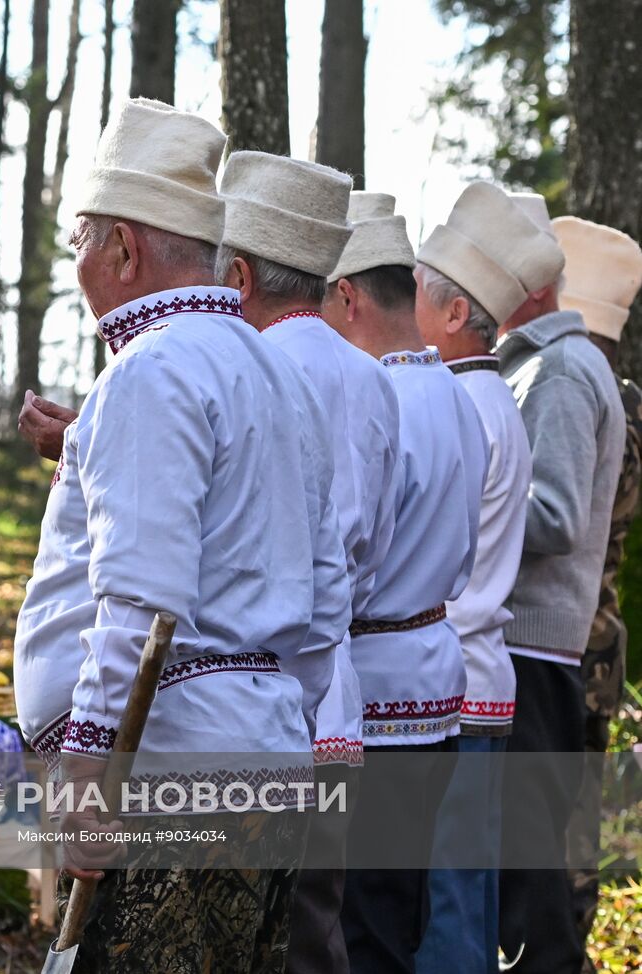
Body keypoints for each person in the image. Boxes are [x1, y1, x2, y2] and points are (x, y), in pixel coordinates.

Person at [12, 98, 349, 973]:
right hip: (259, 759)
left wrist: (87, 776)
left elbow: (142, 601)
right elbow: (324, 601)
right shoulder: (275, 372)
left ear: (123, 248)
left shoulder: (153, 368)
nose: (77, 264)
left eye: (79, 242)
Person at [215, 161, 399, 974]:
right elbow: (373, 549)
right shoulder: (372, 377)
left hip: (247, 702)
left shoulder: (242, 372)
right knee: (317, 938)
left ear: (240, 276)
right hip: (337, 696)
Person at [320, 190, 489, 974]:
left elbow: (346, 555)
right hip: (435, 675)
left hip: (377, 686)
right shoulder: (458, 394)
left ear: (347, 296)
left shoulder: (374, 396)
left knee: (364, 926)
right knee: (401, 908)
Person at [409, 182, 546, 974]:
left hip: (453, 683)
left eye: (416, 296)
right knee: (467, 894)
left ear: (457, 312)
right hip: (482, 677)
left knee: (447, 906)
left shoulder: (460, 405)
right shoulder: (492, 399)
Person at [493, 200, 624, 974]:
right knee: (517, 870)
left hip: (532, 650)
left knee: (530, 884)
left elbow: (557, 516)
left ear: (532, 282)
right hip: (524, 647)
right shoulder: (540, 364)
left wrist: (459, 504)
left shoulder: (561, 371)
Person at [550, 215, 642, 945]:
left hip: (560, 640)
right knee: (571, 834)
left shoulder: (576, 397)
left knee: (548, 841)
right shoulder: (627, 401)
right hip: (599, 634)